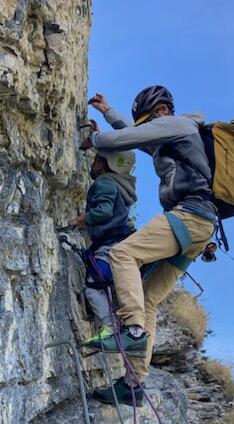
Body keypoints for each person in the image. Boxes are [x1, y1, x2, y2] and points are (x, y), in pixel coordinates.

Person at [80, 86, 217, 406]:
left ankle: (133, 333)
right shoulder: (171, 138)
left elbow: (126, 139)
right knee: (149, 297)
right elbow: (134, 133)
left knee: (122, 253)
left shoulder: (180, 124)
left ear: (160, 112)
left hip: (189, 216)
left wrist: (95, 141)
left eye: (149, 120)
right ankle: (133, 384)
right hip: (201, 229)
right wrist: (108, 112)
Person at [69, 146, 136, 339]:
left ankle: (109, 330)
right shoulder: (121, 186)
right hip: (119, 245)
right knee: (107, 286)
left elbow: (104, 211)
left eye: (97, 160)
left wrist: (81, 219)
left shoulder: (104, 182)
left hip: (108, 246)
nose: (93, 163)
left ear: (102, 164)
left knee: (93, 286)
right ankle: (116, 325)